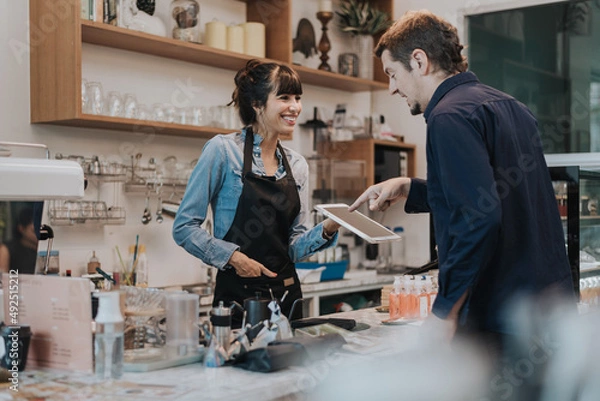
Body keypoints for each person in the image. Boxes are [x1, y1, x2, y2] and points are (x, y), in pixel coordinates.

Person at [349, 11, 574, 347]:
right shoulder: (513, 107)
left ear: (419, 61)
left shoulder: (447, 116)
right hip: (546, 312)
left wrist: (444, 310)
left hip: (500, 317)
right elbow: (494, 195)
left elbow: (478, 218)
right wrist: (410, 187)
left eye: (392, 74)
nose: (392, 87)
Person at [173, 59, 340, 324]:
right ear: (257, 104)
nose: (295, 107)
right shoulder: (223, 152)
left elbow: (294, 249)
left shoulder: (297, 165)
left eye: (298, 97)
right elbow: (184, 227)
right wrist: (234, 258)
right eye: (284, 97)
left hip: (287, 297)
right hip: (238, 298)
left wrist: (330, 227)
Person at [0, 207, 39, 274]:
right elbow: (2, 279)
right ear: (21, 229)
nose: (38, 235)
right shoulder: (7, 249)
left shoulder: (44, 249)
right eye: (34, 231)